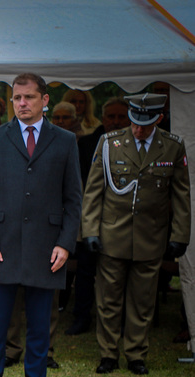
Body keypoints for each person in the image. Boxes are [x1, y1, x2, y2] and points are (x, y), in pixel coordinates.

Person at [0, 73, 82, 377]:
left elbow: (73, 199)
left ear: (44, 100)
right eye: (17, 98)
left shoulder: (65, 141)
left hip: (46, 246)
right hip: (1, 246)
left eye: (29, 97)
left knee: (40, 324)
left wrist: (66, 243)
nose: (22, 103)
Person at [81, 93, 190, 375]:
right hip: (112, 234)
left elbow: (181, 195)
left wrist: (180, 235)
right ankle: (108, 353)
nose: (138, 129)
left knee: (142, 301)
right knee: (108, 300)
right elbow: (93, 191)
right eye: (135, 122)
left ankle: (136, 354)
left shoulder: (172, 146)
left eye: (146, 124)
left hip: (150, 236)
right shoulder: (109, 143)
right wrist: (89, 230)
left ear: (159, 119)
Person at [67, 97, 130, 336]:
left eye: (121, 117)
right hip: (91, 215)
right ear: (103, 118)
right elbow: (79, 183)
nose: (115, 121)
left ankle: (120, 320)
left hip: (122, 220)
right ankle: (82, 317)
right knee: (86, 270)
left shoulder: (135, 145)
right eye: (111, 117)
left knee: (121, 273)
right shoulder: (87, 144)